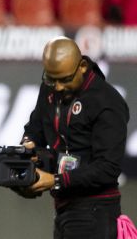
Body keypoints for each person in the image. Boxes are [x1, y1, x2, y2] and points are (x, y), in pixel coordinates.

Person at [17, 36, 129, 239]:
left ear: (83, 66)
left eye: (65, 79)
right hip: (64, 208)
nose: (58, 86)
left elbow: (108, 169)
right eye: (51, 78)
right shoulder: (50, 88)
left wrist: (56, 180)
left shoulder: (108, 102)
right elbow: (34, 128)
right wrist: (28, 149)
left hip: (96, 211)